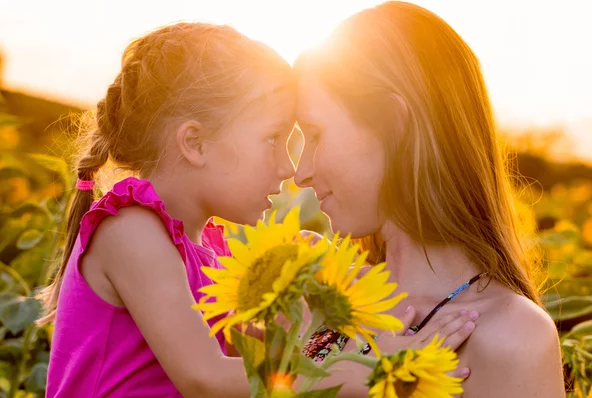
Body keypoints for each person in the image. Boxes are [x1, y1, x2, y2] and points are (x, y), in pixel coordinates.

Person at [37, 20, 477, 398]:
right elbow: (206, 378)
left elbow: (276, 367)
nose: (288, 167)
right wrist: (377, 370)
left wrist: (337, 320)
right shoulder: (131, 231)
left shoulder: (214, 253)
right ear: (195, 143)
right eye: (272, 138)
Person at [294, 2, 565, 397]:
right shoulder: (320, 298)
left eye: (315, 134)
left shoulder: (511, 337)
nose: (301, 171)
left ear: (392, 125)